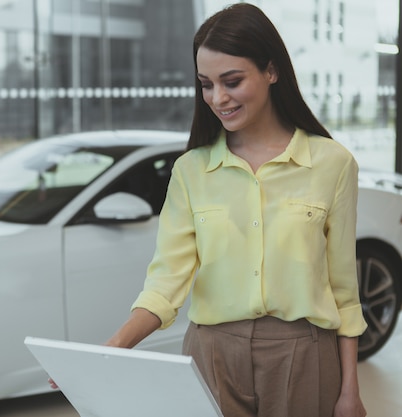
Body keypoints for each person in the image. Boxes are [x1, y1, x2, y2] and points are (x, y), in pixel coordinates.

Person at [51, 3, 367, 417]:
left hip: (303, 355)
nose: (218, 98)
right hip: (211, 354)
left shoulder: (333, 164)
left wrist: (349, 391)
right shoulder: (190, 171)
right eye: (206, 84)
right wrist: (111, 350)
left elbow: (344, 291)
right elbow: (166, 284)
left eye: (232, 81)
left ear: (271, 71)